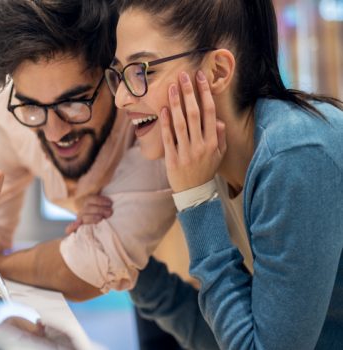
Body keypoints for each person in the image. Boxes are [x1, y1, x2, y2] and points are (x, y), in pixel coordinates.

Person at [0, 0, 189, 348]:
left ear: (114, 75)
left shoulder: (145, 108)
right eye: (32, 107)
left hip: (201, 274)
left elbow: (89, 269)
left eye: (74, 103)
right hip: (144, 284)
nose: (56, 132)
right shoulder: (10, 108)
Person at [106, 0, 343, 348]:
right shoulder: (213, 159)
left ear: (217, 71)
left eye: (143, 71)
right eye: (119, 75)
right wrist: (137, 274)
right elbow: (233, 337)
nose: (122, 98)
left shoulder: (293, 156)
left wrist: (195, 200)